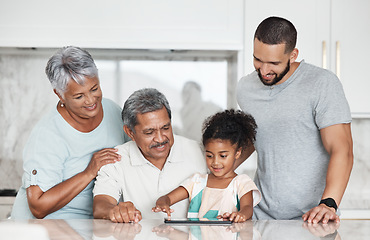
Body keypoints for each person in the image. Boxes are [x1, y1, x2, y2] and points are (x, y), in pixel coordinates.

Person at [236, 16, 353, 223]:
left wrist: (329, 203)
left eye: (273, 63)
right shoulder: (246, 88)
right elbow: (254, 139)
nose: (264, 70)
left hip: (314, 218)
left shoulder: (322, 84)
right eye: (257, 60)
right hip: (261, 218)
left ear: (293, 55)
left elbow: (342, 149)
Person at [11, 46, 129, 219]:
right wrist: (89, 171)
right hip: (45, 228)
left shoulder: (113, 112)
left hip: (89, 223)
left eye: (94, 88)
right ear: (60, 95)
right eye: (79, 96)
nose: (90, 101)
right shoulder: (47, 135)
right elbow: (38, 207)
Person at [92, 88, 208, 223]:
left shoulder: (199, 151)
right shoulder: (116, 158)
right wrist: (115, 211)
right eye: (149, 132)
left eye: (165, 128)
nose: (160, 139)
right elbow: (101, 205)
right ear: (130, 132)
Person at [152, 109, 261, 223]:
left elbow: (247, 208)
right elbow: (168, 198)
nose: (215, 162)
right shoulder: (197, 181)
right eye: (209, 156)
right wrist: (163, 203)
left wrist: (241, 215)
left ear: (237, 153)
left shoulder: (241, 182)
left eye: (222, 156)